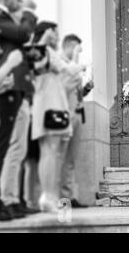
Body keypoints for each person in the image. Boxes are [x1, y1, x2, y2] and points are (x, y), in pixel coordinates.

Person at [0, 0, 37, 221]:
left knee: (15, 150)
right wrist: (28, 10)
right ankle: (2, 201)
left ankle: (10, 199)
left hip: (15, 90)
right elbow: (22, 34)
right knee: (3, 150)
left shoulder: (3, 20)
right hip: (0, 89)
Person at [30, 22, 84, 213]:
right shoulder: (42, 50)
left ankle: (50, 196)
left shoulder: (45, 51)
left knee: (53, 154)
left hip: (53, 106)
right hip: (48, 107)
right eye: (55, 32)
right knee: (50, 153)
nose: (58, 36)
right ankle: (48, 196)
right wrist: (80, 61)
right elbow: (70, 69)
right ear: (48, 32)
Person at [59, 34, 93, 208]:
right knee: (61, 157)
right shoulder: (61, 65)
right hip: (64, 116)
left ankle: (70, 197)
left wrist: (85, 89)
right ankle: (62, 198)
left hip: (78, 114)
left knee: (70, 159)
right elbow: (62, 89)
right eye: (78, 49)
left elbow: (75, 93)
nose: (80, 53)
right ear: (71, 47)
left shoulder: (73, 68)